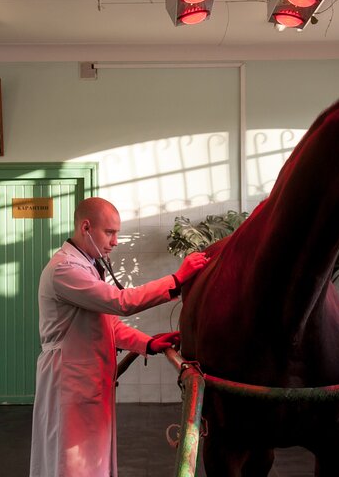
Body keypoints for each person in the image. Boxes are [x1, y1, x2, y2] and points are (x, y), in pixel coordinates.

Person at [29, 197, 209, 477]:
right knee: (73, 462)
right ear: (86, 227)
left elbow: (108, 325)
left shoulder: (86, 266)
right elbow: (120, 302)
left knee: (92, 460)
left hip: (85, 378)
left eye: (117, 234)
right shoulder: (65, 270)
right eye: (110, 232)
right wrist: (176, 280)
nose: (115, 241)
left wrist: (147, 343)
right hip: (70, 381)